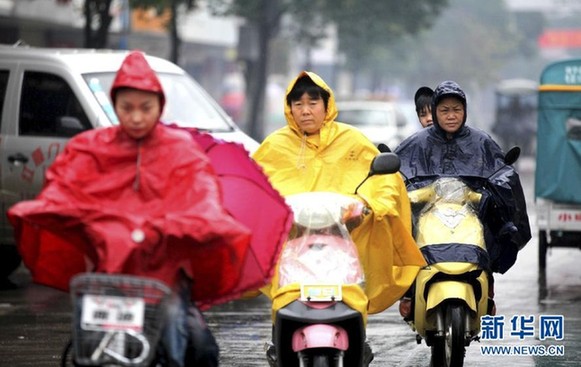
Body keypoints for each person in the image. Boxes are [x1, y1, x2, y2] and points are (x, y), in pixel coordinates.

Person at [7, 51, 256, 367]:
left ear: (160, 106)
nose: (136, 117)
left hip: (164, 279)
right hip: (107, 277)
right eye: (127, 108)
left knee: (196, 345)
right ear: (114, 104)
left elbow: (203, 200)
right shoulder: (89, 148)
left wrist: (172, 227)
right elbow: (62, 190)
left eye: (145, 108)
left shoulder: (182, 152)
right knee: (87, 351)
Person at [252, 71, 427, 365]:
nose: (305, 110)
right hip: (291, 241)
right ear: (289, 108)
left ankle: (357, 333)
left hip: (346, 238)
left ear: (327, 104)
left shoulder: (353, 141)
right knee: (284, 291)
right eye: (298, 104)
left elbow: (382, 181)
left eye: (312, 102)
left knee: (352, 287)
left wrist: (372, 204)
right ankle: (278, 334)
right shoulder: (274, 146)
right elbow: (254, 185)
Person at [394, 80, 532, 318]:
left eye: (456, 110)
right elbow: (398, 166)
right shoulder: (418, 142)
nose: (451, 116)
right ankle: (409, 290)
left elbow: (500, 169)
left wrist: (498, 186)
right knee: (403, 229)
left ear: (465, 111)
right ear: (435, 112)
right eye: (445, 110)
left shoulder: (481, 141)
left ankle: (486, 287)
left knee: (497, 224)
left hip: (471, 210)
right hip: (428, 210)